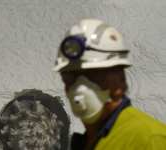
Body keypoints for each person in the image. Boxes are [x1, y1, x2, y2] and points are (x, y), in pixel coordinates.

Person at [53, 19, 166, 150]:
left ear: (121, 80)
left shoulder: (149, 139)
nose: (79, 87)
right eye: (70, 76)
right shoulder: (85, 143)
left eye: (94, 74)